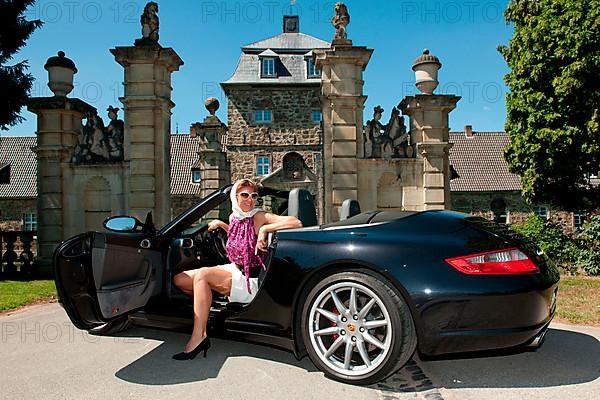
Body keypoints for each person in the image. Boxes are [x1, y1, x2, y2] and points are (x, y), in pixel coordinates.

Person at [171, 179, 303, 360]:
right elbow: (238, 235)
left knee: (202, 275)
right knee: (180, 279)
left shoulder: (258, 216)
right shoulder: (235, 217)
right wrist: (222, 225)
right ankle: (206, 306)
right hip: (235, 269)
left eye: (254, 195)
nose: (250, 200)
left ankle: (199, 337)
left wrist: (265, 230)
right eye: (245, 195)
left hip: (249, 280)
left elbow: (296, 222)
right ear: (235, 197)